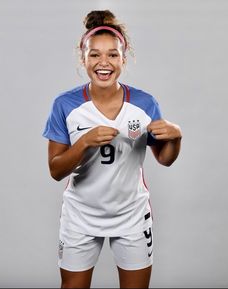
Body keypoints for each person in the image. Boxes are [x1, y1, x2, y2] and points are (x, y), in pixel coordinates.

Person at [42, 10, 182, 289]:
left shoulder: (144, 103)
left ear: (123, 59)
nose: (103, 62)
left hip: (131, 215)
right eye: (94, 54)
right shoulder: (65, 105)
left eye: (112, 55)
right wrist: (84, 143)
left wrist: (176, 137)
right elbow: (56, 170)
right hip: (80, 215)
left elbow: (164, 159)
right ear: (83, 58)